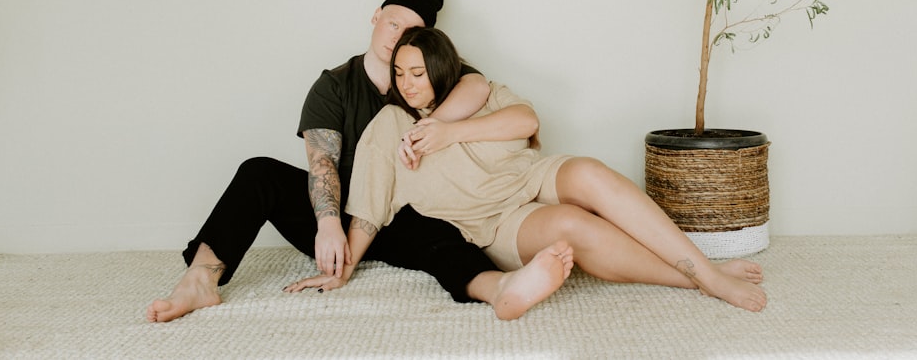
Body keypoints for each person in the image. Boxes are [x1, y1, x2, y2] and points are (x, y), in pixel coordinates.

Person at [146, 0, 573, 323]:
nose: (397, 37)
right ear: (375, 16)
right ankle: (201, 279)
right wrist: (329, 223)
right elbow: (321, 160)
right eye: (392, 23)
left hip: (407, 210)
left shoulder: (439, 76)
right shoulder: (335, 85)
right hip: (339, 217)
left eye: (411, 32)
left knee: (441, 230)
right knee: (258, 171)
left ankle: (499, 288)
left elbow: (478, 86)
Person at [285, 27, 767, 313]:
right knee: (574, 227)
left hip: (529, 176)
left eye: (417, 73)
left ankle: (705, 267)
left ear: (439, 68)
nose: (407, 85)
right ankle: (698, 278)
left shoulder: (478, 93)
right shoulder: (389, 124)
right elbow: (368, 208)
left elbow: (527, 121)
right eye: (399, 74)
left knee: (590, 172)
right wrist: (342, 270)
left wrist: (447, 131)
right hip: (491, 221)